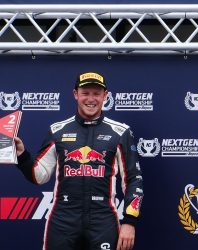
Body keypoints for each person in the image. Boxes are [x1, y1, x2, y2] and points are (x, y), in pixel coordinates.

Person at [14, 71, 143, 250]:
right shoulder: (57, 130)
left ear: (105, 96)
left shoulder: (121, 132)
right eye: (85, 93)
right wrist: (21, 155)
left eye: (96, 93)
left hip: (103, 219)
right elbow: (39, 176)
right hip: (63, 220)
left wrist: (130, 222)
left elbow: (133, 180)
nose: (91, 99)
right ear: (76, 94)